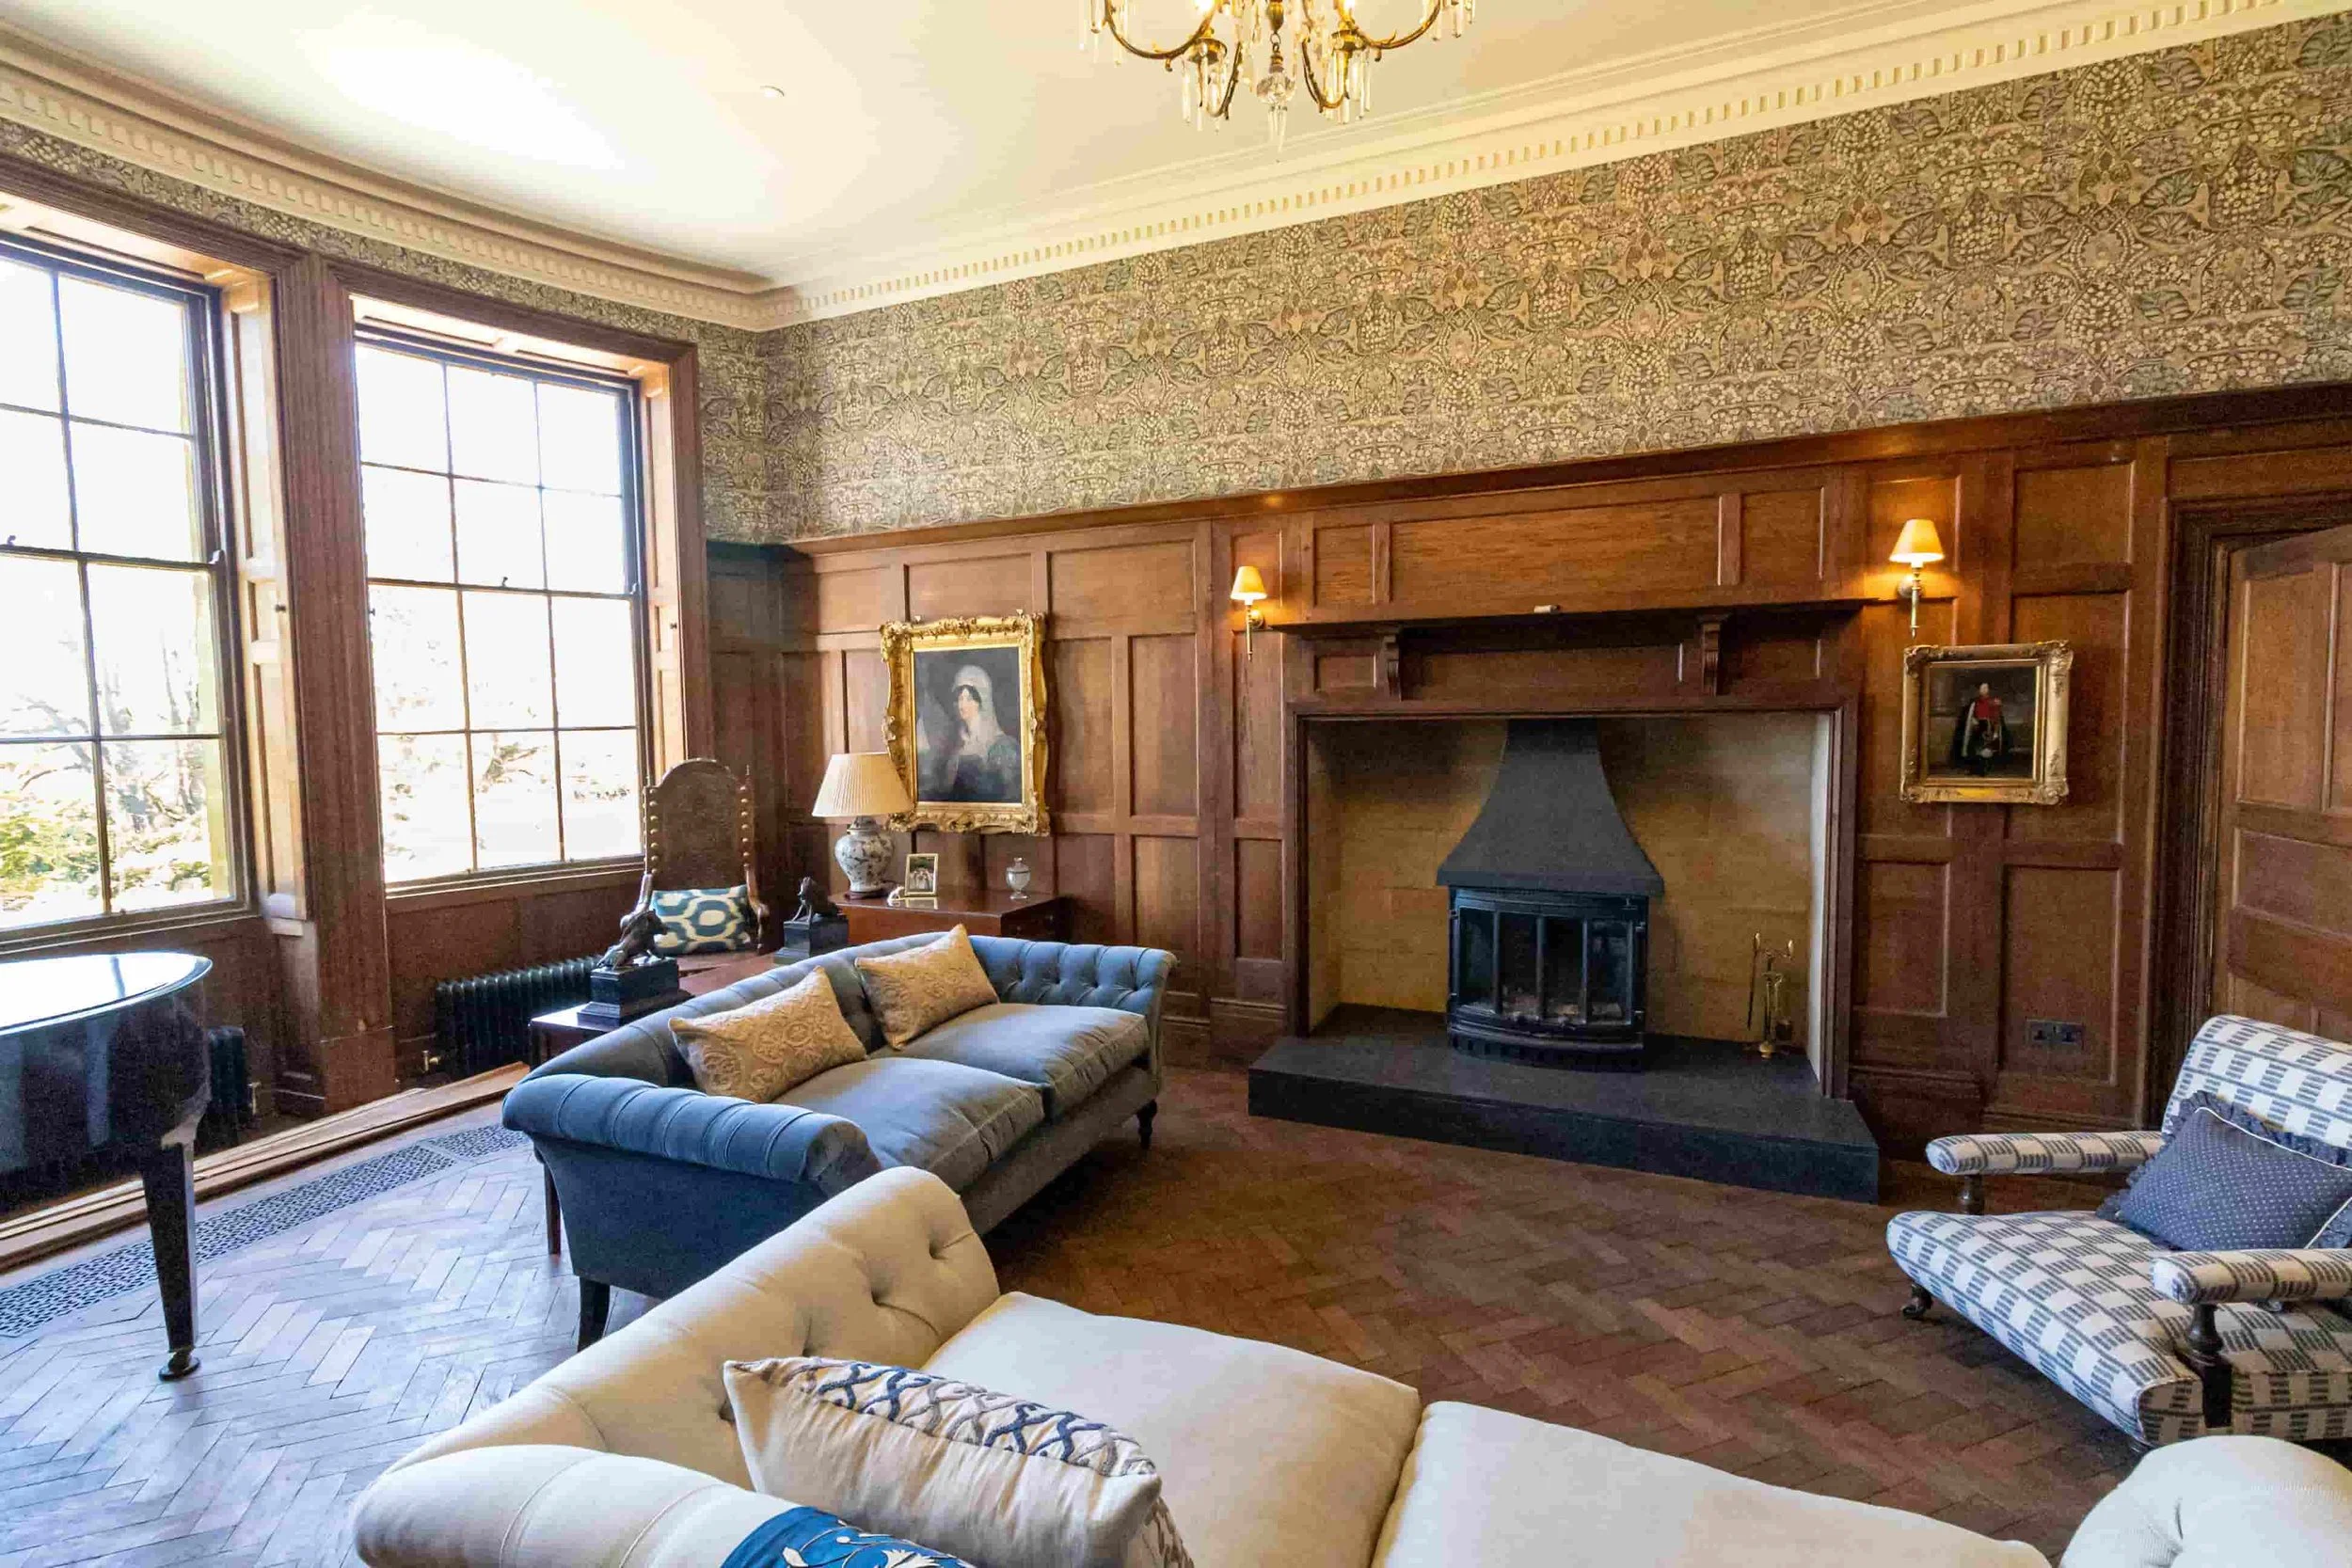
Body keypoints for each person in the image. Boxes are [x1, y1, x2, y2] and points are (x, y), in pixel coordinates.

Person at [939, 662, 1021, 802]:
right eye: (960, 698)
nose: (962, 705)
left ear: (982, 702)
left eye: (969, 699)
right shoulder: (958, 746)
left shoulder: (1003, 746)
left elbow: (1009, 796)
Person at [1950, 680, 2008, 774]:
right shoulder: (1974, 702)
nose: (1984, 690)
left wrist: (1996, 731)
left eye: (1986, 688)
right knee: (1975, 748)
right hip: (1976, 727)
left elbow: (1997, 718)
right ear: (1979, 690)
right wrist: (1973, 720)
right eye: (1982, 688)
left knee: (1988, 748)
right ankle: (1974, 768)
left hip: (1989, 727)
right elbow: (1969, 715)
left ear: (1989, 690)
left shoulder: (1993, 702)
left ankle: (1985, 769)